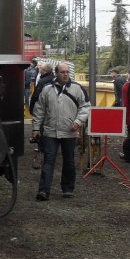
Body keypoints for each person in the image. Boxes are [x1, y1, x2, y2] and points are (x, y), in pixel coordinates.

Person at [31, 62, 90, 200]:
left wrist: (78, 122)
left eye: (67, 72)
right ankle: (44, 191)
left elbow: (85, 107)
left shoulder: (77, 89)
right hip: (50, 131)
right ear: (56, 73)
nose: (65, 74)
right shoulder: (47, 89)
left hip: (69, 131)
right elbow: (39, 109)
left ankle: (68, 189)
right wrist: (35, 128)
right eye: (62, 72)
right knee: (48, 161)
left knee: (69, 161)